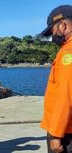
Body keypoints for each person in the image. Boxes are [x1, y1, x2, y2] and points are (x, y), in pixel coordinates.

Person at [40, 5, 72, 153]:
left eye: (52, 30)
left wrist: (55, 135)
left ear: (63, 25)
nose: (52, 36)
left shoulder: (68, 54)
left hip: (66, 132)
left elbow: (65, 96)